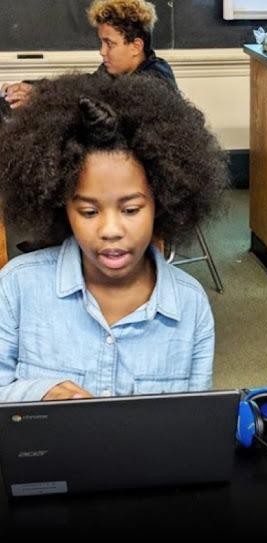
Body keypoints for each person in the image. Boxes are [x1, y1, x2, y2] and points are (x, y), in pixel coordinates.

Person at [0, 71, 229, 402]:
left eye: (131, 210)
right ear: (61, 207)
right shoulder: (17, 288)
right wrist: (40, 394)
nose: (110, 230)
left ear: (162, 202)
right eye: (89, 212)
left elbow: (190, 425)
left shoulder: (190, 305)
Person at [0, 0, 178, 108]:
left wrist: (42, 99)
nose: (102, 52)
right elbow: (81, 86)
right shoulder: (111, 73)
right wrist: (34, 89)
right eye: (101, 42)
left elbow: (103, 101)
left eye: (109, 43)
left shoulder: (157, 82)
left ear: (135, 46)